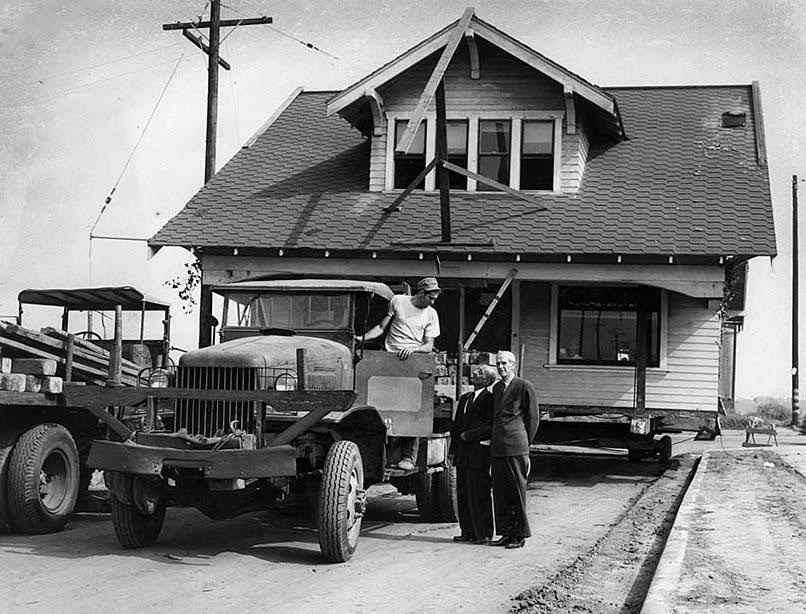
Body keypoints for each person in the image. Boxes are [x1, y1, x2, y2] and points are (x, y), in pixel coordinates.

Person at [358, 277, 442, 470]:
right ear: (421, 293)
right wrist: (362, 339)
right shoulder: (398, 301)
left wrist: (414, 350)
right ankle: (383, 458)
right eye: (431, 297)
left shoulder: (431, 314)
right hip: (389, 360)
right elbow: (381, 328)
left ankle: (408, 458)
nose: (433, 301)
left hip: (412, 364)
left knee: (411, 409)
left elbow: (429, 345)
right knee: (383, 408)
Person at [489, 350, 539, 549]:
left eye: (504, 364)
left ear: (513, 365)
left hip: (516, 446)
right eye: (498, 364)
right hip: (498, 447)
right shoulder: (497, 389)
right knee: (501, 493)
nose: (501, 367)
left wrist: (526, 445)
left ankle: (519, 535)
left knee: (517, 491)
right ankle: (506, 532)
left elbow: (532, 419)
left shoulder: (524, 386)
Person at [449, 364, 496, 545]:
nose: (474, 373)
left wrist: (470, 435)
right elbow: (457, 425)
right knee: (463, 492)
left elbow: (491, 425)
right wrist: (453, 450)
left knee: (479, 492)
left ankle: (483, 533)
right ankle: (467, 531)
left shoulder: (490, 399)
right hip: (463, 453)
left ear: (488, 380)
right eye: (475, 371)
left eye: (480, 372)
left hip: (479, 452)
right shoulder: (465, 398)